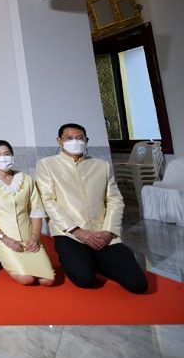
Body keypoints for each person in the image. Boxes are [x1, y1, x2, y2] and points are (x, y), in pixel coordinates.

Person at [36, 123, 147, 293]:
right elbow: (48, 201)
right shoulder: (47, 164)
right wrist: (76, 230)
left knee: (138, 284)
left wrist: (108, 231)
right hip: (69, 233)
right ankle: (75, 258)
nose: (75, 142)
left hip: (102, 232)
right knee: (85, 279)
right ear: (59, 141)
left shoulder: (102, 165)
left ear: (86, 141)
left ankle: (93, 257)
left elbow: (115, 200)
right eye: (69, 138)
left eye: (80, 138)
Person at [0, 140, 55, 286]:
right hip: (1, 236)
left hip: (28, 236)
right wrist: (5, 239)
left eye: (6, 154)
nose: (3, 157)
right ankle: (1, 256)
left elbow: (37, 211)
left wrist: (34, 237)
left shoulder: (26, 179)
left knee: (48, 280)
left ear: (12, 155)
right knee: (27, 279)